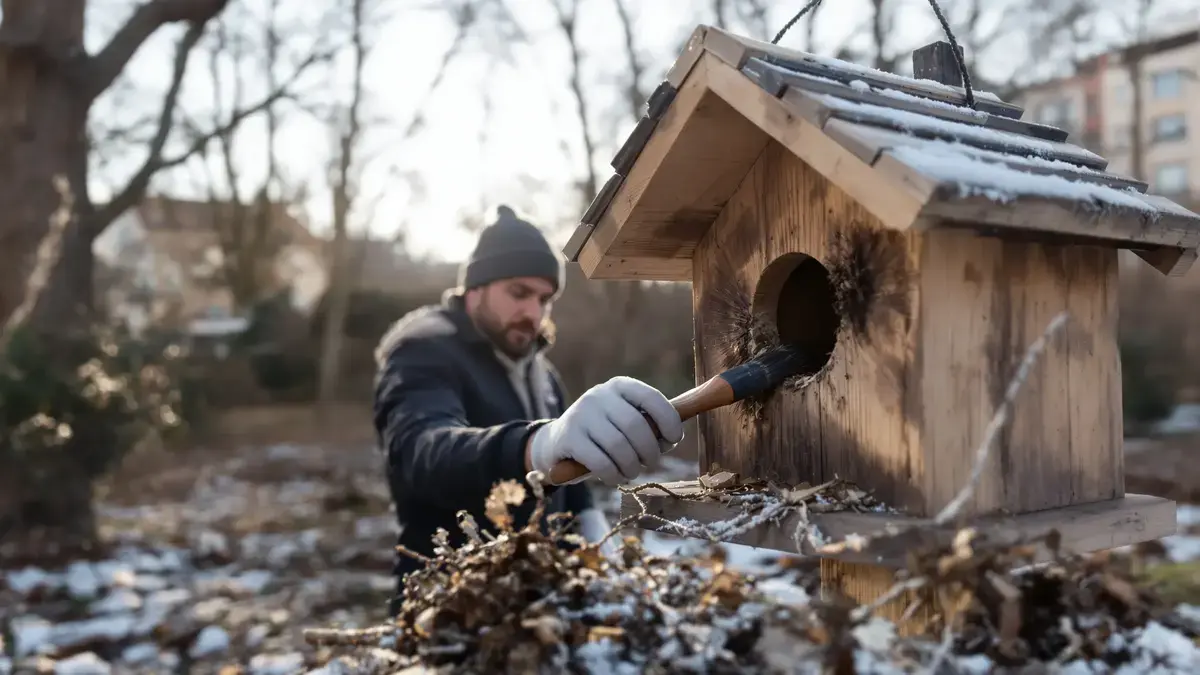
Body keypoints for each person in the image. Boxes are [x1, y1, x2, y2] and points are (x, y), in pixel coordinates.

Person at [373, 205, 684, 615]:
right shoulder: (422, 353)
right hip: (444, 606)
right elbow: (423, 450)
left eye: (545, 299)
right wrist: (536, 444)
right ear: (474, 289)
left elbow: (568, 467)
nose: (533, 313)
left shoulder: (544, 374)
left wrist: (589, 521)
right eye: (518, 294)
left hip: (535, 604)